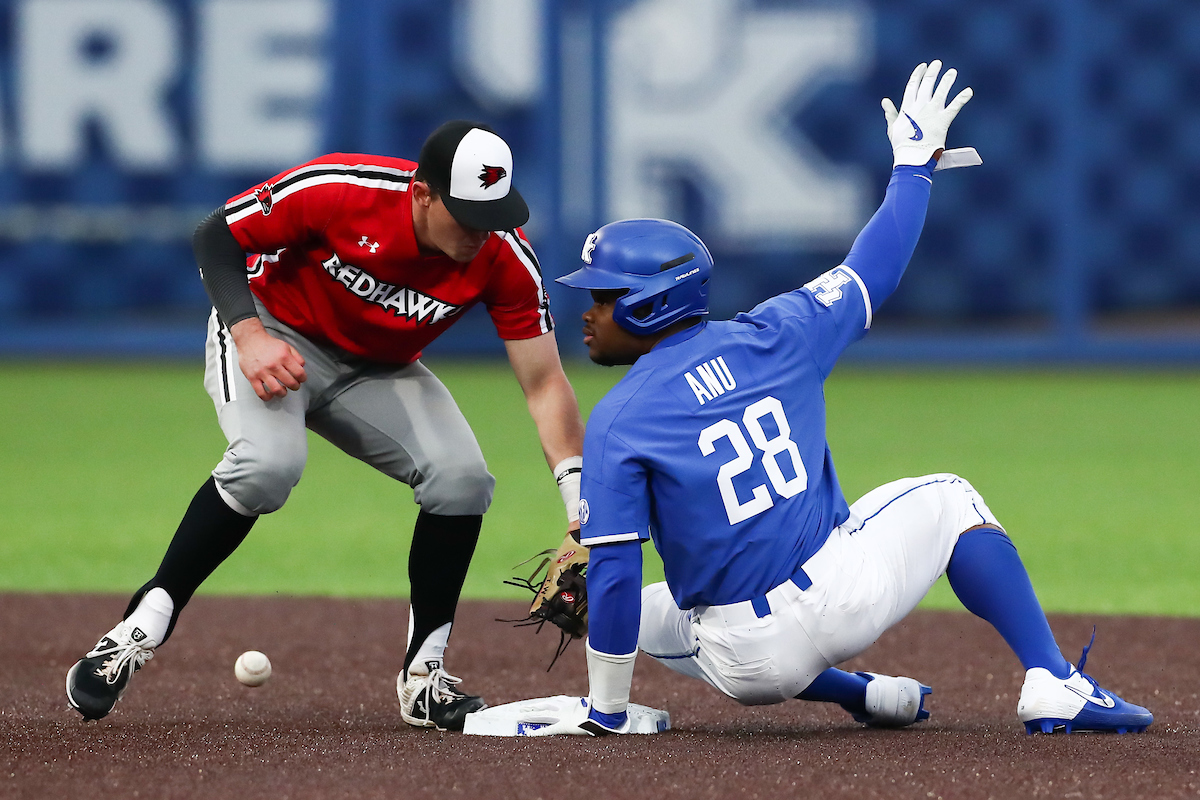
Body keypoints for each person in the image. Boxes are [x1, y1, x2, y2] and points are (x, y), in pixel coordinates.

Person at [534, 62, 1153, 737]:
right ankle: (1049, 679)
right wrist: (913, 166)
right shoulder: (781, 332)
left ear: (651, 305)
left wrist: (607, 715)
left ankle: (860, 695)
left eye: (603, 297)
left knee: (623, 603)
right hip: (844, 594)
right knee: (950, 499)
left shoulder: (620, 418)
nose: (588, 313)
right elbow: (874, 266)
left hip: (746, 661)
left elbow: (619, 571)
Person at [66, 120, 586, 732]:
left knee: (463, 479)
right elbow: (216, 236)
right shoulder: (342, 189)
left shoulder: (503, 256)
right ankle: (139, 627)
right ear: (422, 193)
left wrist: (581, 510)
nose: (481, 230)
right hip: (272, 333)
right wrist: (250, 335)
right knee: (268, 465)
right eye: (467, 213)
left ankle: (424, 676)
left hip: (378, 370)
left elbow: (546, 384)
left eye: (492, 213)